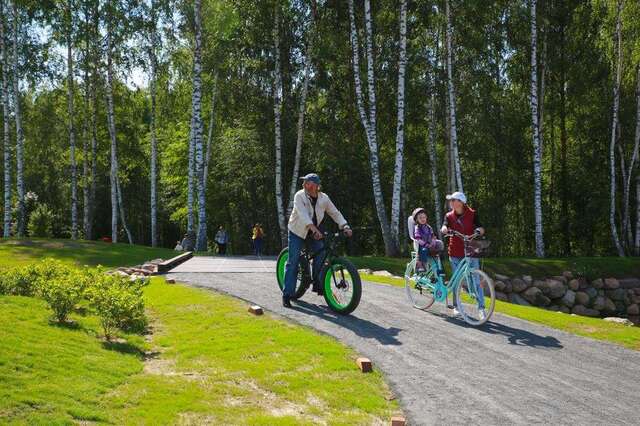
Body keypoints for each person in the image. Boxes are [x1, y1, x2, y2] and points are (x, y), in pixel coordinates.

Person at [283, 173, 352, 308]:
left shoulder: (323, 198)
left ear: (316, 186)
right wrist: (314, 229)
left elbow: (335, 212)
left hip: (314, 231)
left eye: (308, 182)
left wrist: (345, 225)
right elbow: (303, 215)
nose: (305, 184)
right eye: (305, 182)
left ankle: (318, 284)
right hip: (297, 230)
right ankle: (287, 295)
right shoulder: (299, 195)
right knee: (293, 261)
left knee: (321, 254)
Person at [440, 191, 486, 317]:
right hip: (455, 251)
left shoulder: (472, 214)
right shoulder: (449, 216)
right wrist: (444, 229)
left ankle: (481, 308)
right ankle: (456, 306)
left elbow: (481, 228)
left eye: (453, 200)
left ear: (460, 202)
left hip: (471, 250)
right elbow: (444, 226)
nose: (451, 202)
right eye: (451, 200)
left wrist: (478, 231)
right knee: (456, 280)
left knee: (475, 279)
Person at [412, 207, 444, 273]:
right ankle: (421, 264)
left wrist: (433, 242)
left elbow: (432, 236)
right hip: (421, 245)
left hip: (430, 243)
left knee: (440, 243)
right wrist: (426, 244)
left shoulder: (428, 227)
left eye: (424, 217)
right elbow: (418, 239)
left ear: (426, 218)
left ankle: (436, 255)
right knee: (424, 250)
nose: (422, 219)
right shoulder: (417, 228)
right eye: (420, 218)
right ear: (417, 220)